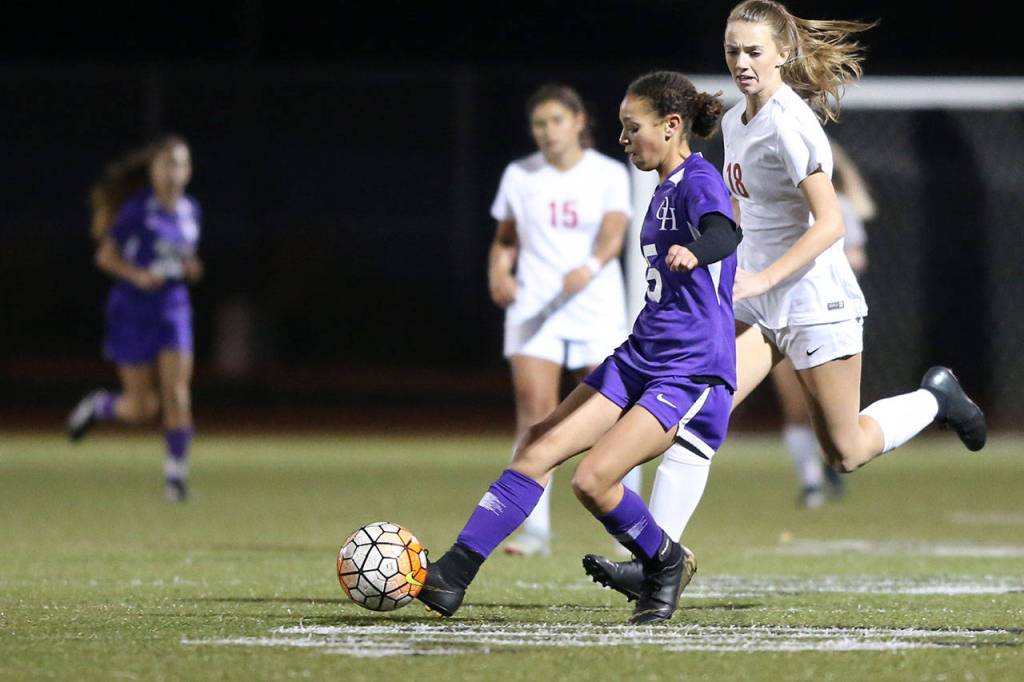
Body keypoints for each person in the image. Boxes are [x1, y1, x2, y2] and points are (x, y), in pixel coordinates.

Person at [582, 0, 986, 601]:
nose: (741, 62)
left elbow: (830, 225)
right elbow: (745, 209)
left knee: (845, 451)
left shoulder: (791, 123)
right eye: (732, 50)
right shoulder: (740, 120)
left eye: (753, 51)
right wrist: (731, 266)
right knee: (698, 413)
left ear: (782, 53)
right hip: (756, 302)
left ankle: (935, 398)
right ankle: (657, 558)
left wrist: (765, 278)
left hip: (815, 303)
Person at [416, 71, 741, 624]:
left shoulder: (697, 180)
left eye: (630, 127)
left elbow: (724, 231)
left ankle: (663, 563)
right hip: (641, 353)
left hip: (687, 369)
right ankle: (453, 573)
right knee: (537, 445)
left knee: (593, 480)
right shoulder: (662, 186)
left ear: (671, 126)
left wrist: (697, 250)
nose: (622, 138)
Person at [488, 83, 640, 557]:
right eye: (539, 124)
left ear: (578, 122)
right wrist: (498, 270)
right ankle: (533, 530)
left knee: (615, 413)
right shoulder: (520, 174)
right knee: (537, 415)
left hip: (594, 306)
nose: (547, 131)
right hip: (534, 309)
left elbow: (614, 234)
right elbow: (506, 237)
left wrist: (590, 267)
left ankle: (628, 527)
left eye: (556, 121)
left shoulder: (609, 173)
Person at [67, 135, 202, 503]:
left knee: (177, 393)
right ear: (153, 172)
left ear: (188, 171)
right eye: (166, 165)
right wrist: (138, 276)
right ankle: (99, 406)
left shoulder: (191, 211)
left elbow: (187, 260)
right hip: (132, 310)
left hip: (173, 307)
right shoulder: (136, 211)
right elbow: (105, 257)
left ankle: (176, 482)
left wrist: (192, 269)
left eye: (179, 164)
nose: (173, 172)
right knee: (141, 407)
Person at [772, 138, 874, 508]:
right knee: (795, 408)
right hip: (778, 314)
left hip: (823, 314)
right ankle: (811, 483)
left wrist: (822, 256)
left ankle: (932, 401)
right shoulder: (770, 207)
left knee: (840, 436)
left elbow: (856, 255)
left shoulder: (836, 207)